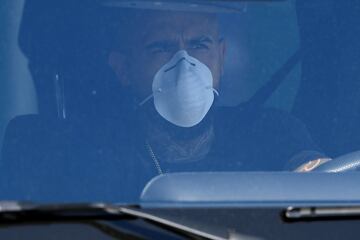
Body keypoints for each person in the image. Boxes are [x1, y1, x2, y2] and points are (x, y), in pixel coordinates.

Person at [107, 9, 330, 178]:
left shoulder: (271, 132)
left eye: (199, 44)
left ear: (221, 56)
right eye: (162, 47)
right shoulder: (99, 156)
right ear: (123, 68)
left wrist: (311, 171)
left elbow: (321, 187)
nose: (184, 62)